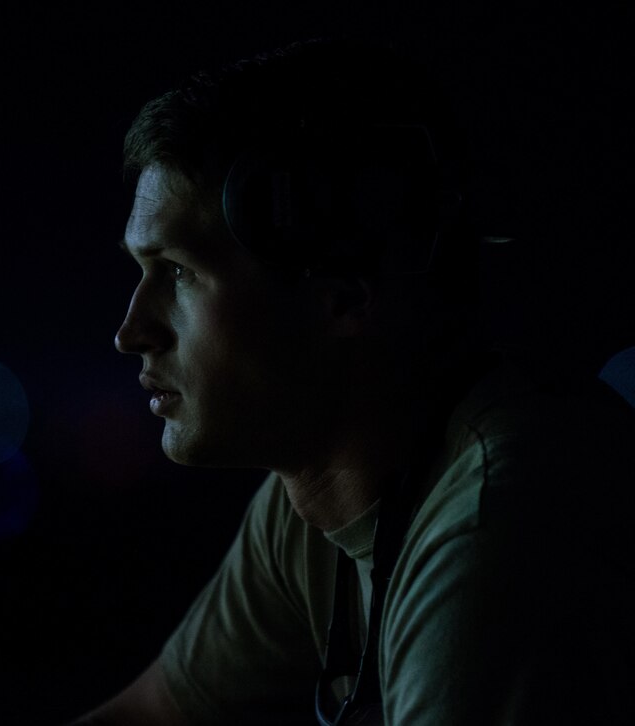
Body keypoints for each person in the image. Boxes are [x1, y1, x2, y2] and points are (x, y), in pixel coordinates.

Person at [70, 36, 635, 725]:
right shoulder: (314, 497)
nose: (132, 331)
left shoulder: (491, 542)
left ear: (342, 293)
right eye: (142, 271)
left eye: (181, 273)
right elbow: (157, 712)